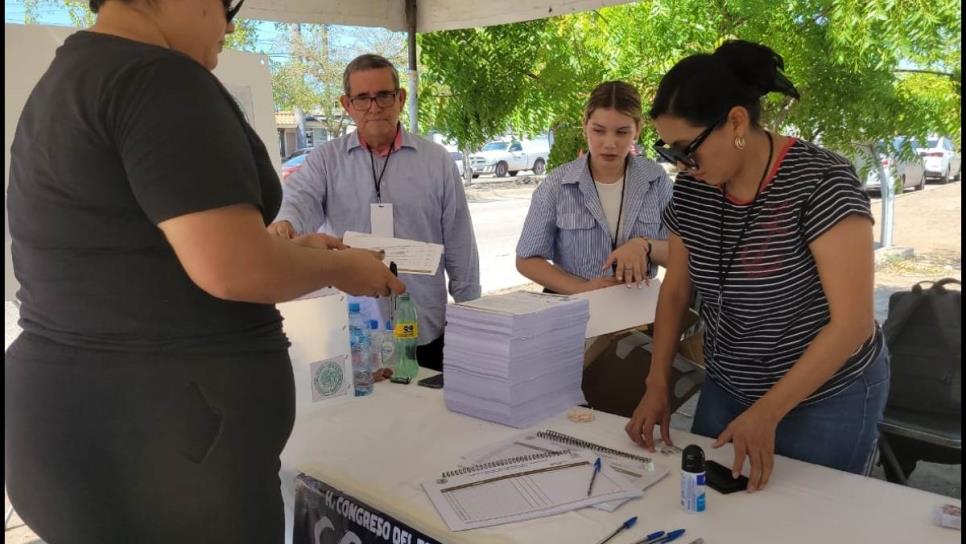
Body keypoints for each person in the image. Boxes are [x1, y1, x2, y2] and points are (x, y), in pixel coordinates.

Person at [4, 1, 405, 543]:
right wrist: (341, 268)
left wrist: (292, 250)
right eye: (226, 4)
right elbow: (231, 266)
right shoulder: (159, 78)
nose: (230, 24)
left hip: (91, 428)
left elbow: (155, 248)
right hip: (164, 456)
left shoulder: (74, 75)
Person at [625, 40, 889, 491]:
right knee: (713, 510)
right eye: (669, 153)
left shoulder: (821, 182)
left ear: (736, 122)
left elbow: (853, 325)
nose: (681, 166)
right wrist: (656, 381)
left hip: (825, 395)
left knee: (806, 521)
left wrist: (768, 412)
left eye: (688, 149)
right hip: (730, 384)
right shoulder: (696, 189)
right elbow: (676, 291)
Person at [268, 54, 481, 372]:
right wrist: (285, 223)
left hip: (425, 327)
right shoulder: (326, 161)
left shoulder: (437, 162)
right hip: (356, 335)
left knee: (431, 419)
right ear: (347, 104)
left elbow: (461, 245)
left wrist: (471, 319)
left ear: (401, 98)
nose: (374, 106)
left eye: (384, 95)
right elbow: (299, 201)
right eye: (362, 98)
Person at [516, 81, 672, 295]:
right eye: (598, 131)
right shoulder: (558, 184)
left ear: (637, 130)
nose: (609, 143)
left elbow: (682, 255)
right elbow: (526, 259)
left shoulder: (657, 181)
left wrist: (644, 245)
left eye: (622, 132)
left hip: (637, 310)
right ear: (585, 125)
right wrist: (581, 288)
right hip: (573, 312)